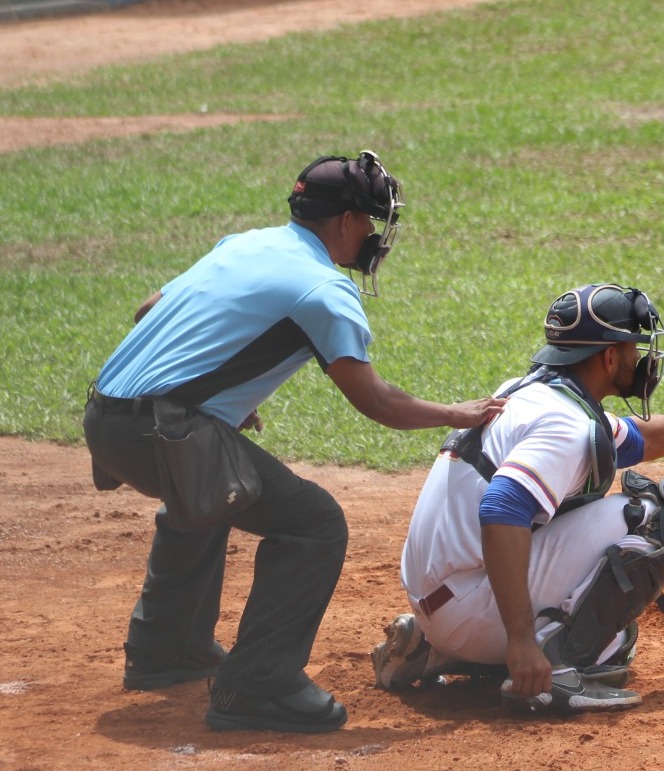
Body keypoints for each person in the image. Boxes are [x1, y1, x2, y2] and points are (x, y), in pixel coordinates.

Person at [82, 151, 505, 733]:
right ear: (346, 221)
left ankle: (168, 649)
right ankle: (258, 686)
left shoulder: (246, 244)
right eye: (372, 221)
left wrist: (214, 392)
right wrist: (457, 412)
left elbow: (148, 310)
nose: (375, 235)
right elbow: (376, 402)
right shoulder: (323, 289)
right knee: (313, 523)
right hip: (160, 432)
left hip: (105, 415)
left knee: (215, 486)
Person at [371, 283, 664, 712]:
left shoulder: (533, 392)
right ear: (608, 356)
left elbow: (645, 437)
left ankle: (432, 651)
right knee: (660, 520)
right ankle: (552, 667)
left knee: (610, 626)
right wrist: (521, 641)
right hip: (467, 604)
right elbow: (501, 510)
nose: (639, 358)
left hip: (440, 597)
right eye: (632, 347)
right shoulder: (563, 426)